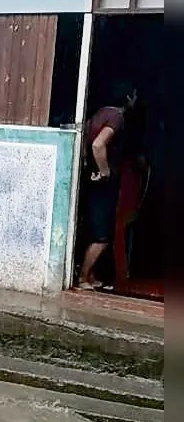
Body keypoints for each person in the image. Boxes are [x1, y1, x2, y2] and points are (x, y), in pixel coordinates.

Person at [78, 83, 138, 290]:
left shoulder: (99, 114)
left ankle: (91, 276)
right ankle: (83, 278)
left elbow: (87, 143)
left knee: (94, 229)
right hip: (102, 183)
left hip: (91, 180)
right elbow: (98, 144)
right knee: (102, 236)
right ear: (129, 98)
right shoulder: (116, 117)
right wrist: (104, 171)